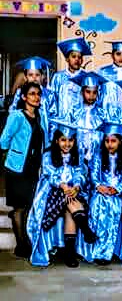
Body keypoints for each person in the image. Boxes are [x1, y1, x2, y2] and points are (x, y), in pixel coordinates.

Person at [27, 120, 97, 267]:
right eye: (63, 140)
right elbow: (50, 174)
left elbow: (81, 174)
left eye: (70, 140)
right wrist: (63, 186)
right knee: (67, 199)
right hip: (52, 191)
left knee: (69, 208)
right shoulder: (48, 155)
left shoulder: (77, 156)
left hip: (72, 192)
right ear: (57, 140)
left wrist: (76, 187)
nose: (67, 144)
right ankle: (84, 229)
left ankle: (70, 253)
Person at [79, 123, 122, 265]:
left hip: (121, 190)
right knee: (100, 203)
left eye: (113, 141)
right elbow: (94, 175)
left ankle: (109, 251)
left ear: (120, 141)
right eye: (107, 141)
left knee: (113, 202)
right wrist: (98, 186)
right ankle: (101, 250)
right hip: (101, 190)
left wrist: (116, 189)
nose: (110, 144)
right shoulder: (98, 155)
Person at [0, 82, 49, 258]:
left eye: (38, 94)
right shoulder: (17, 116)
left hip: (33, 169)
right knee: (20, 207)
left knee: (27, 206)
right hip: (17, 168)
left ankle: (24, 240)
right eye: (32, 94)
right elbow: (3, 140)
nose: (36, 97)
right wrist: (15, 152)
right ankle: (22, 245)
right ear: (24, 97)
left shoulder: (40, 116)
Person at [68, 71, 109, 166]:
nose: (91, 96)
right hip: (77, 155)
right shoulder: (74, 111)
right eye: (88, 92)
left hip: (97, 156)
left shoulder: (102, 113)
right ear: (82, 92)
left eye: (94, 92)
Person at [9, 57, 56, 136]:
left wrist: (51, 136)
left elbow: (54, 116)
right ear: (25, 77)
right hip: (24, 135)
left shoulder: (49, 94)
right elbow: (13, 112)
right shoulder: (20, 93)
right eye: (30, 75)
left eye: (37, 75)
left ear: (42, 76)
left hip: (44, 134)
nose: (34, 78)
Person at [51, 37, 91, 118]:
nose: (77, 60)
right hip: (62, 120)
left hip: (81, 121)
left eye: (79, 57)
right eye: (73, 56)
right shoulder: (58, 77)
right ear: (67, 59)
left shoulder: (86, 77)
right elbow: (53, 99)